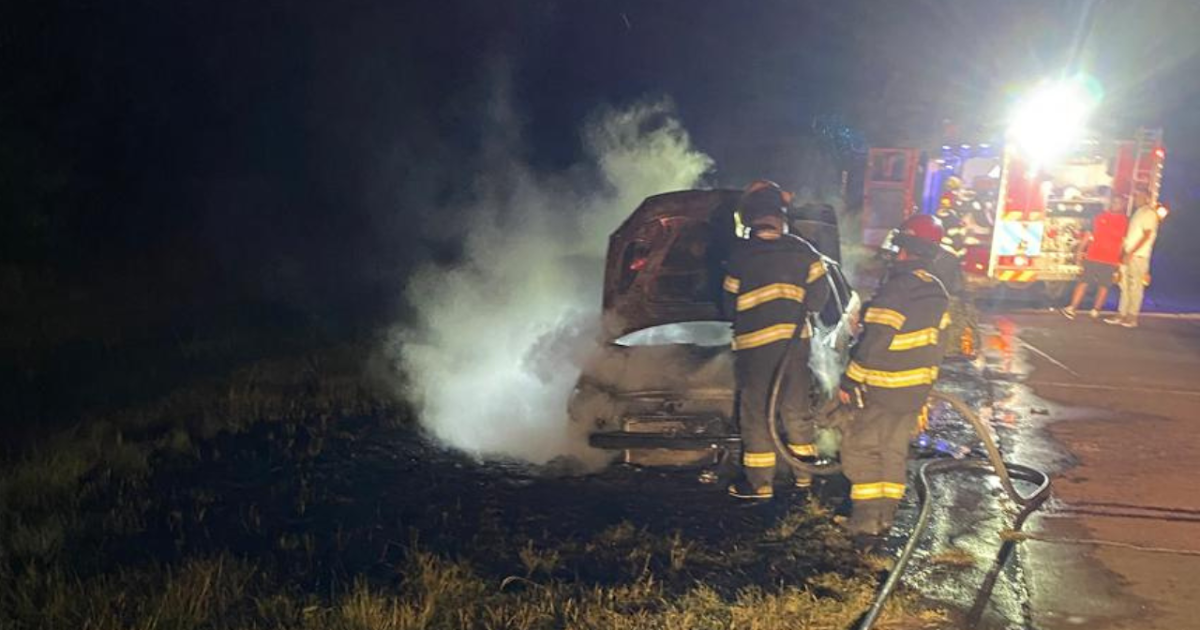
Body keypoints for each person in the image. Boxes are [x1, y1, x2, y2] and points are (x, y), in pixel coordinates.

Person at [837, 214, 951, 537]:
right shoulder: (936, 289)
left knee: (861, 448)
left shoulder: (898, 288)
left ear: (905, 248)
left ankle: (864, 523)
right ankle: (886, 517)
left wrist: (850, 380)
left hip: (884, 387)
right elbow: (937, 342)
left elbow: (876, 342)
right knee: (893, 450)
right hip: (915, 390)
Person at [722, 180, 831, 500]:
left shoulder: (739, 256)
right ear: (780, 217)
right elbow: (818, 300)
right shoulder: (805, 251)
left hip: (755, 350)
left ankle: (760, 484)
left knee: (757, 413)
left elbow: (729, 305)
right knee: (796, 410)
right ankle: (804, 478)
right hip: (795, 348)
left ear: (751, 219)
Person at [1060, 195, 1129, 320]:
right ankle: (1072, 308)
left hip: (1110, 258)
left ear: (1123, 205)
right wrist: (1080, 250)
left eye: (1118, 202)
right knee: (1084, 282)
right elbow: (1088, 234)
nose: (1115, 204)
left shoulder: (1124, 221)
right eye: (1114, 201)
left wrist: (1121, 258)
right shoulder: (1100, 217)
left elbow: (1123, 242)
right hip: (1094, 255)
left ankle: (1095, 310)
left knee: (1104, 285)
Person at [1106, 191, 1163, 328]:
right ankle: (1122, 313)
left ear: (1147, 198)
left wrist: (1132, 252)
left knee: (1135, 286)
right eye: (1136, 196)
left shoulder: (1148, 213)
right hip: (1128, 254)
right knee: (1123, 285)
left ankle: (1132, 316)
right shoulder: (1138, 213)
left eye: (1140, 196)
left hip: (1138, 256)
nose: (1136, 199)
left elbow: (1147, 235)